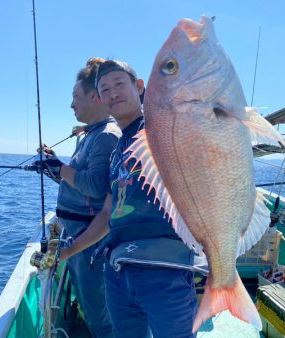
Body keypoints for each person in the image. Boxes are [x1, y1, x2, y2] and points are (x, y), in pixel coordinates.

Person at [60, 60, 198, 338]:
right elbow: (108, 213)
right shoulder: (116, 152)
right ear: (99, 99)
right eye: (105, 89)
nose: (113, 94)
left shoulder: (161, 128)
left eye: (120, 84)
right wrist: (69, 251)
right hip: (118, 270)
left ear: (139, 87)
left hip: (164, 268)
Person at [37, 58, 121, 338]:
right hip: (75, 235)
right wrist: (54, 164)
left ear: (95, 98)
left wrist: (60, 169)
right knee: (90, 304)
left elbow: (97, 186)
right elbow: (76, 182)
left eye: (75, 96)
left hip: (88, 239)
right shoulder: (91, 135)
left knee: (99, 314)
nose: (72, 104)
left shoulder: (106, 136)